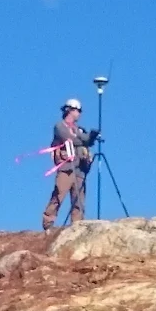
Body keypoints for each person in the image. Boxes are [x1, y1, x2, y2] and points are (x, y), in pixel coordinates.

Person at [42, 98, 100, 230]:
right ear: (70, 110)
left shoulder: (79, 130)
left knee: (78, 200)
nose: (79, 113)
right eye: (77, 110)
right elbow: (71, 139)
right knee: (58, 195)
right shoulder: (60, 126)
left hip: (80, 169)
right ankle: (48, 224)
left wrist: (91, 137)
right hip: (66, 168)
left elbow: (83, 140)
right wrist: (87, 139)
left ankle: (77, 226)